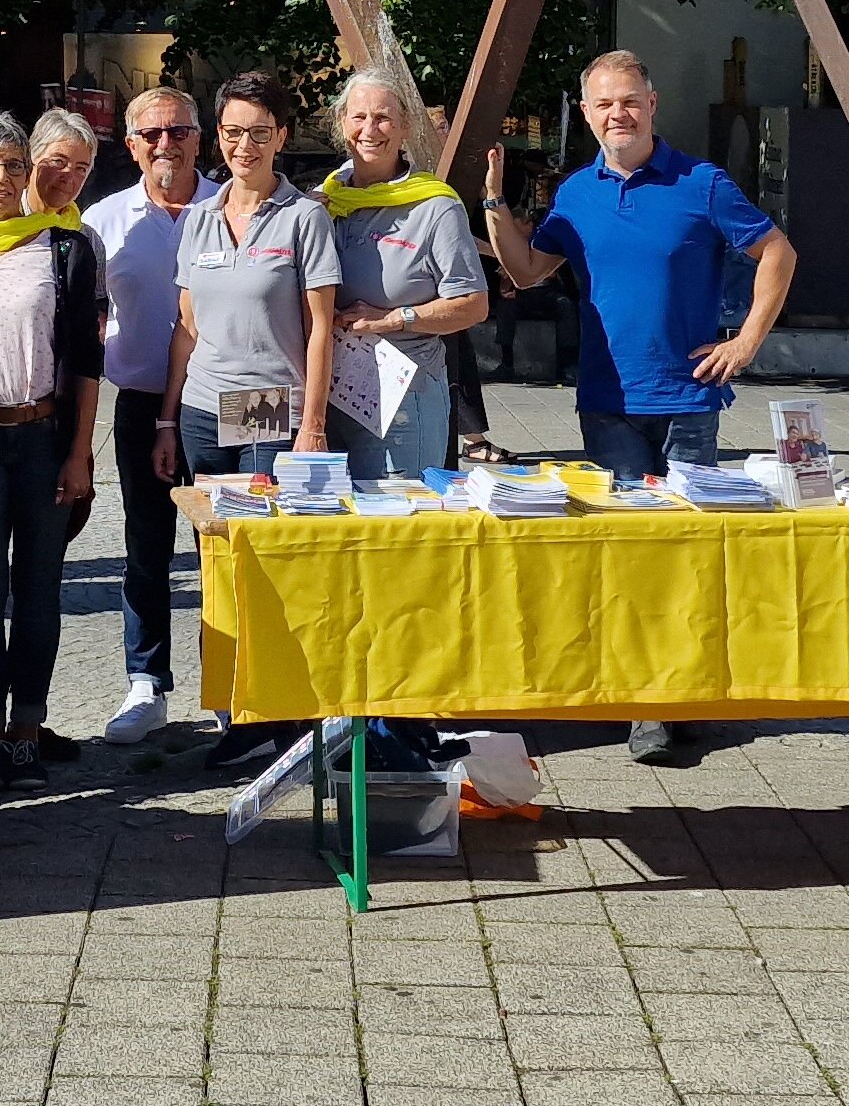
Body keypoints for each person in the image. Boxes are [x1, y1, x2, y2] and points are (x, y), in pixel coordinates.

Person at [482, 50, 799, 768]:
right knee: (630, 555)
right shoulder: (576, 194)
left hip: (688, 398)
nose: (617, 114)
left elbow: (777, 252)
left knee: (685, 553)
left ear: (651, 105)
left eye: (629, 101)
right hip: (609, 402)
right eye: (604, 105)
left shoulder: (701, 182)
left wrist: (746, 342)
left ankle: (678, 697)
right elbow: (529, 270)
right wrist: (497, 204)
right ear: (588, 115)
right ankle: (651, 702)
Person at [160, 72, 340, 772]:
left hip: (272, 410)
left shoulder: (303, 218)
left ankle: (285, 713)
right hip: (206, 409)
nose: (244, 145)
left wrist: (313, 423)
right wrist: (167, 421)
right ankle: (235, 713)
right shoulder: (200, 218)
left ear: (282, 138)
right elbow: (185, 328)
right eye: (232, 131)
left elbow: (321, 327)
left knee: (264, 562)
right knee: (216, 563)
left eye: (259, 133)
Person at [0, 116, 105, 791]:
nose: (2, 178)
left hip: (42, 439)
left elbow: (89, 362)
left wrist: (80, 455)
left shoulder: (67, 247)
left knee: (39, 588)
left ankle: (29, 728)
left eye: (13, 165)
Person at [84, 86, 203, 745]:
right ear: (130, 145)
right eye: (151, 133)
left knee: (225, 550)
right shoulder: (104, 220)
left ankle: (233, 685)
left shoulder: (237, 205)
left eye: (178, 130)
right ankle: (146, 682)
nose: (166, 143)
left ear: (198, 137)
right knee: (146, 544)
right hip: (140, 402)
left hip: (227, 404)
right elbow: (81, 311)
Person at [320, 72, 491, 481]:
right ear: (342, 123)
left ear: (405, 127)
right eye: (358, 116)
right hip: (328, 396)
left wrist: (397, 317)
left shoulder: (435, 207)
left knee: (400, 525)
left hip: (401, 402)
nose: (370, 129)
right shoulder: (325, 201)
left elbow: (474, 305)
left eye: (383, 118)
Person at [29, 107, 102, 218]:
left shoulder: (84, 234)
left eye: (80, 168)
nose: (68, 179)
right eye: (59, 161)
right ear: (32, 155)